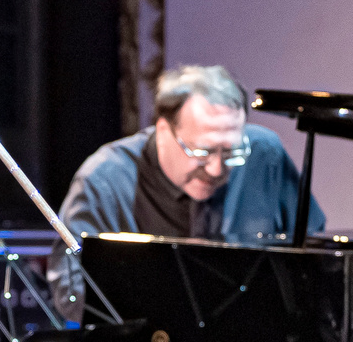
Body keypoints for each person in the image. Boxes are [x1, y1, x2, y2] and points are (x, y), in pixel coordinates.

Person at [58, 63, 324, 244]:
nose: (217, 169)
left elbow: (311, 244)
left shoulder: (264, 154)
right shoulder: (105, 179)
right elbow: (71, 284)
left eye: (231, 152)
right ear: (163, 131)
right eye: (202, 151)